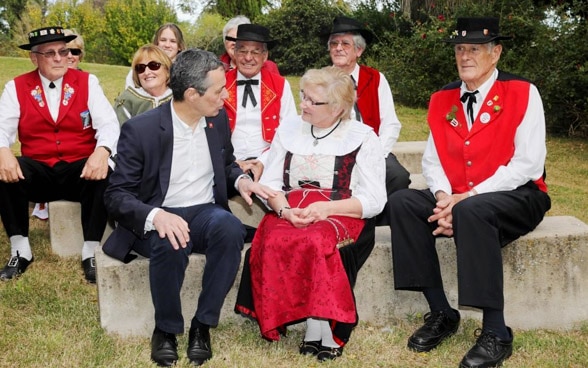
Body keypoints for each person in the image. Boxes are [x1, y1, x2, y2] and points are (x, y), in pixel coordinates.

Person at [387, 17, 551, 368]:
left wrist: (467, 199)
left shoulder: (523, 92)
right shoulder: (442, 97)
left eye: (474, 49)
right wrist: (446, 197)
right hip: (459, 197)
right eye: (460, 49)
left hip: (519, 194)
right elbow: (432, 161)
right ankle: (442, 313)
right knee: (402, 202)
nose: (465, 56)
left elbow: (528, 165)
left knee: (471, 212)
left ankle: (496, 332)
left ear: (496, 54)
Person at [102, 49, 277, 367]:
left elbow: (226, 165)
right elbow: (116, 196)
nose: (225, 97)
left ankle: (203, 325)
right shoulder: (141, 130)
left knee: (229, 227)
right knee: (171, 238)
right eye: (219, 90)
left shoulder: (217, 119)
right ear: (192, 94)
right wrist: (157, 216)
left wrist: (242, 183)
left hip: (204, 211)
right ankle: (165, 330)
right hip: (159, 213)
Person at [234, 66, 386, 362]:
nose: (302, 104)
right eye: (302, 96)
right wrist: (285, 210)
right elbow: (272, 183)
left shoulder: (363, 137)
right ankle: (307, 321)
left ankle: (324, 326)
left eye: (312, 101)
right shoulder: (289, 130)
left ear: (339, 107)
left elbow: (375, 199)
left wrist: (326, 209)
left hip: (343, 211)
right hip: (291, 209)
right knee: (275, 237)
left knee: (317, 241)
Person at [0, 26, 119, 283]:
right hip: (40, 170)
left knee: (104, 168)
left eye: (63, 51)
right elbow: (1, 127)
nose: (58, 58)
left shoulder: (88, 82)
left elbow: (109, 124)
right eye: (50, 53)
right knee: (4, 168)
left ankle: (90, 252)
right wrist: (3, 152)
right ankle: (21, 250)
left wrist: (103, 150)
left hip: (79, 170)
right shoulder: (16, 87)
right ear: (34, 58)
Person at [327, 16, 411, 224]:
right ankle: (346, 217)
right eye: (334, 43)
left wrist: (375, 155)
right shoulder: (320, 80)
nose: (338, 48)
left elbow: (391, 123)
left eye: (345, 44)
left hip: (373, 148)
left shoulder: (376, 78)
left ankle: (381, 219)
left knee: (397, 176)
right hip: (334, 150)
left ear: (358, 50)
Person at [224, 23, 296, 181]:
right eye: (242, 51)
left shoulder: (280, 85)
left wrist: (263, 162)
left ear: (265, 56)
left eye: (255, 52)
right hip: (227, 163)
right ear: (234, 53)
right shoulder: (220, 83)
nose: (248, 57)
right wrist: (231, 162)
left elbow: (289, 131)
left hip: (270, 161)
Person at [32, 28, 86, 220]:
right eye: (66, 51)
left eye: (75, 52)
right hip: (44, 163)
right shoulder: (32, 84)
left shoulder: (89, 83)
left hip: (78, 161)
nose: (69, 56)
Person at [114, 45, 173, 125]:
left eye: (153, 65)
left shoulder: (180, 98)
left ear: (167, 69)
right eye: (140, 68)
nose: (147, 72)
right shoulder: (126, 101)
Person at [124, 23, 185, 89]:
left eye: (173, 41)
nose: (167, 45)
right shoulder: (141, 69)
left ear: (179, 46)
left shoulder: (184, 72)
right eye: (163, 40)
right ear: (156, 43)